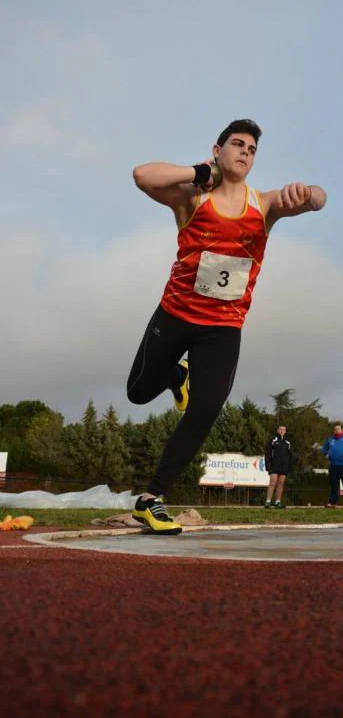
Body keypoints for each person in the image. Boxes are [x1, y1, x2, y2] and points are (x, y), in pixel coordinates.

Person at [126, 119, 327, 534]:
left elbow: (320, 200)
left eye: (252, 149)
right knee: (139, 392)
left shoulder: (264, 204)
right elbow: (142, 175)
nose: (245, 153)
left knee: (204, 410)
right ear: (217, 150)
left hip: (223, 327)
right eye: (237, 144)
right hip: (176, 315)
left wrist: (307, 194)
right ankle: (174, 375)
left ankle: (151, 499)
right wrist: (198, 172)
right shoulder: (192, 197)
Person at [264, 425, 293, 508]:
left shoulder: (287, 443)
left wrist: (289, 466)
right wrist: (268, 466)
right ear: (277, 430)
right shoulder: (272, 441)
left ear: (285, 431)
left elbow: (290, 456)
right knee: (272, 482)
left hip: (284, 466)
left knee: (281, 483)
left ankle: (277, 501)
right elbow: (268, 454)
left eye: (284, 429)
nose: (282, 431)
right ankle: (268, 501)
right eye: (280, 429)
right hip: (274, 465)